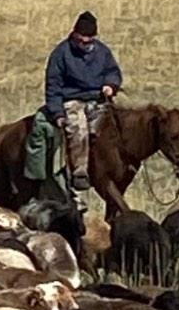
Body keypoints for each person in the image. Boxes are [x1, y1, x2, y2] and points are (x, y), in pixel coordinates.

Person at [44, 10, 122, 192]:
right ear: (74, 34)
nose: (84, 45)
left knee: (111, 128)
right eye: (81, 40)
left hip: (98, 98)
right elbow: (53, 86)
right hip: (71, 100)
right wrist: (57, 112)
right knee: (79, 129)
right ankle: (79, 171)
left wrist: (111, 85)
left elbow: (113, 71)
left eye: (89, 41)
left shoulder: (102, 51)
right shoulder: (61, 54)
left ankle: (109, 166)